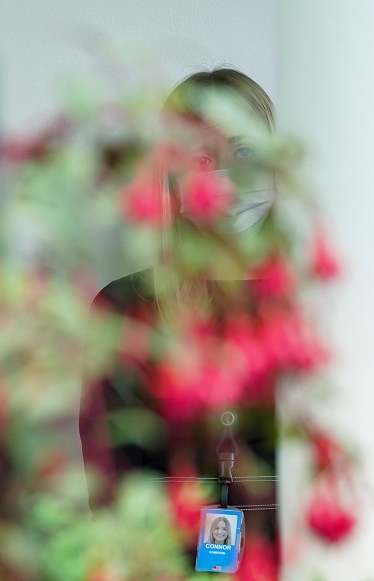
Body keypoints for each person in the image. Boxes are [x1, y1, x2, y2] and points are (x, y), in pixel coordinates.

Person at [79, 68, 279, 550]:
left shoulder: (310, 314)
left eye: (245, 151)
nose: (227, 170)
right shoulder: (124, 310)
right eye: (204, 155)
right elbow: (114, 487)